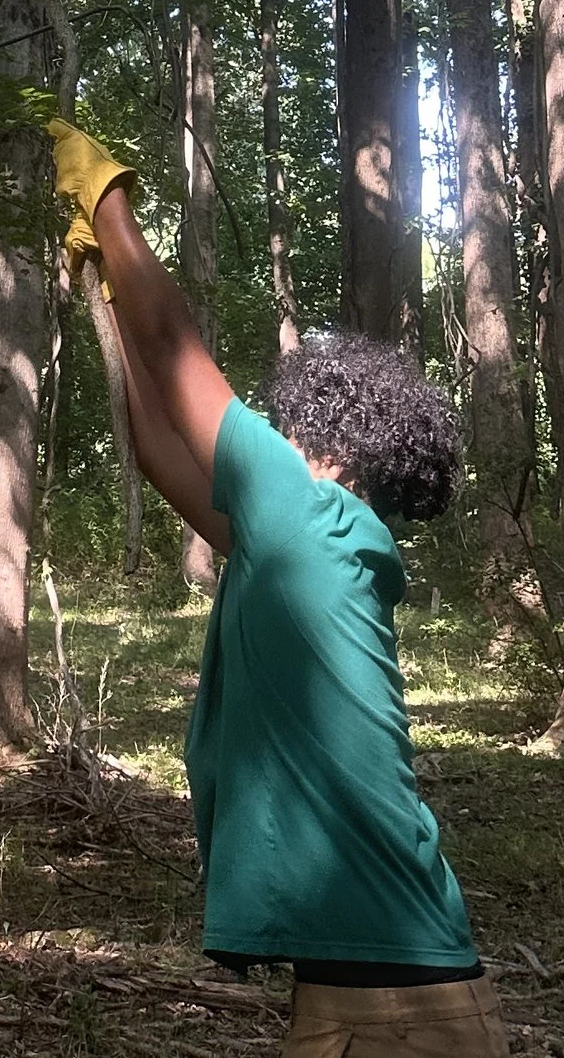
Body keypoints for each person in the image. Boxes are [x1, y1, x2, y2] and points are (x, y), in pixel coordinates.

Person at [50, 117, 505, 1057]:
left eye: (294, 427)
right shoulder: (299, 544)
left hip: (399, 1011)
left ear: (337, 446)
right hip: (382, 996)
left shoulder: (314, 515)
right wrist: (104, 287)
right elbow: (157, 446)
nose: (276, 439)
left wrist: (109, 197)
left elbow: (177, 339)